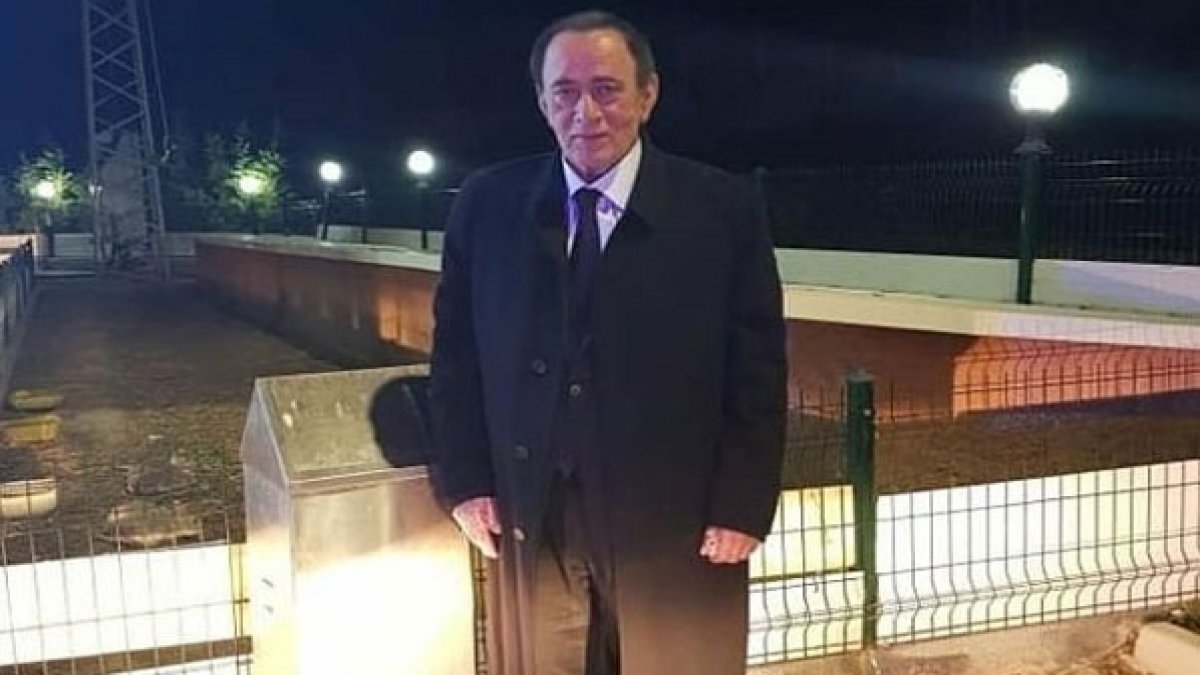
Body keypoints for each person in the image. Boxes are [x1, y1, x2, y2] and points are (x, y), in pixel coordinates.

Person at [430, 10, 786, 675]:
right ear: (542, 103)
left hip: (674, 519)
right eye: (564, 92)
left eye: (607, 89)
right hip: (534, 512)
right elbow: (456, 357)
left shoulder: (721, 210)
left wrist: (743, 503)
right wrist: (465, 481)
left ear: (648, 95)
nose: (585, 112)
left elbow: (757, 368)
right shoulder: (488, 205)